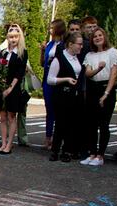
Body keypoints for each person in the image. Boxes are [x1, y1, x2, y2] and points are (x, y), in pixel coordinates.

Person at [81, 27, 117, 167]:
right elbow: (88, 73)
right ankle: (92, 153)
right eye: (94, 36)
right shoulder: (89, 55)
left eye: (100, 35)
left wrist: (107, 93)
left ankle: (100, 155)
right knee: (91, 124)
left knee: (104, 124)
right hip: (92, 88)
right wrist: (99, 68)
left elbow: (114, 74)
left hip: (106, 89)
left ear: (104, 36)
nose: (97, 38)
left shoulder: (113, 52)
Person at [48, 32, 84, 162]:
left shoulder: (76, 59)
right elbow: (50, 79)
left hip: (74, 96)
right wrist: (66, 79)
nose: (81, 47)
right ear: (70, 44)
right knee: (60, 124)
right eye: (79, 44)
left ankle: (67, 151)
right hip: (61, 95)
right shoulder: (59, 59)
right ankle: (55, 151)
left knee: (71, 124)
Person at [0, 24, 28, 155]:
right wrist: (0, 82)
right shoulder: (3, 52)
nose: (13, 39)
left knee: (11, 116)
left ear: (19, 37)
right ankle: (3, 143)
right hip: (1, 87)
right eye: (11, 37)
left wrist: (10, 88)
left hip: (13, 89)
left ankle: (9, 144)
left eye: (15, 37)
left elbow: (19, 73)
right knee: (2, 117)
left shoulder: (22, 53)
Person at [41, 19, 67, 149]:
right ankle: (48, 138)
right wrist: (42, 51)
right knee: (49, 109)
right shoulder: (50, 44)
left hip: (59, 80)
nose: (50, 30)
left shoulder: (64, 44)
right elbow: (43, 63)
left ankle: (59, 140)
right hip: (47, 79)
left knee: (59, 110)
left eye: (52, 27)